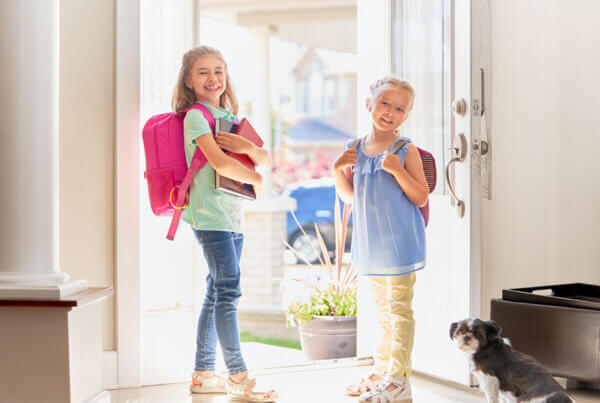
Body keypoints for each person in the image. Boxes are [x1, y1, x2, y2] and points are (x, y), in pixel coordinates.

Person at [172, 45, 278, 402]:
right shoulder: (196, 117)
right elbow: (218, 163)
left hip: (231, 214)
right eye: (203, 72)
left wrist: (245, 148)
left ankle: (204, 374)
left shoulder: (228, 116)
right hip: (210, 216)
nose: (213, 78)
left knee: (216, 291)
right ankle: (237, 375)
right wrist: (256, 178)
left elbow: (263, 156)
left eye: (219, 71)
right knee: (229, 291)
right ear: (188, 80)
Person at [333, 76, 428, 403]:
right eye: (384, 103)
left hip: (399, 243)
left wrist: (398, 171)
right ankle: (381, 371)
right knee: (381, 312)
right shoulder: (353, 150)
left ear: (405, 116)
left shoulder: (405, 150)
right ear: (369, 104)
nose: (389, 112)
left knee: (400, 310)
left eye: (399, 108)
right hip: (371, 245)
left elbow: (420, 197)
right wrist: (337, 170)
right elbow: (349, 197)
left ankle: (400, 380)